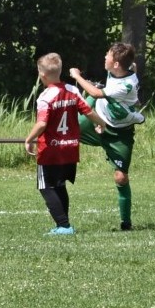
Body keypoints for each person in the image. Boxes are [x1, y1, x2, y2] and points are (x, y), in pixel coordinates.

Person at [24, 53, 107, 235]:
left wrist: (29, 139)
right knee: (60, 185)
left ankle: (63, 225)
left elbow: (42, 123)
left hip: (51, 150)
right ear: (60, 71)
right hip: (70, 148)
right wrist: (101, 123)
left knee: (45, 186)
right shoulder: (72, 90)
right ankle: (64, 225)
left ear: (42, 75)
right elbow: (88, 111)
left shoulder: (45, 96)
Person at [69, 42, 145, 231]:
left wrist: (77, 76)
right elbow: (132, 66)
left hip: (120, 134)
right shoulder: (122, 69)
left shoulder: (125, 85)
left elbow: (95, 92)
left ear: (117, 64)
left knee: (121, 178)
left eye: (108, 56)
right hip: (100, 117)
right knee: (70, 131)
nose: (105, 57)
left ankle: (126, 223)